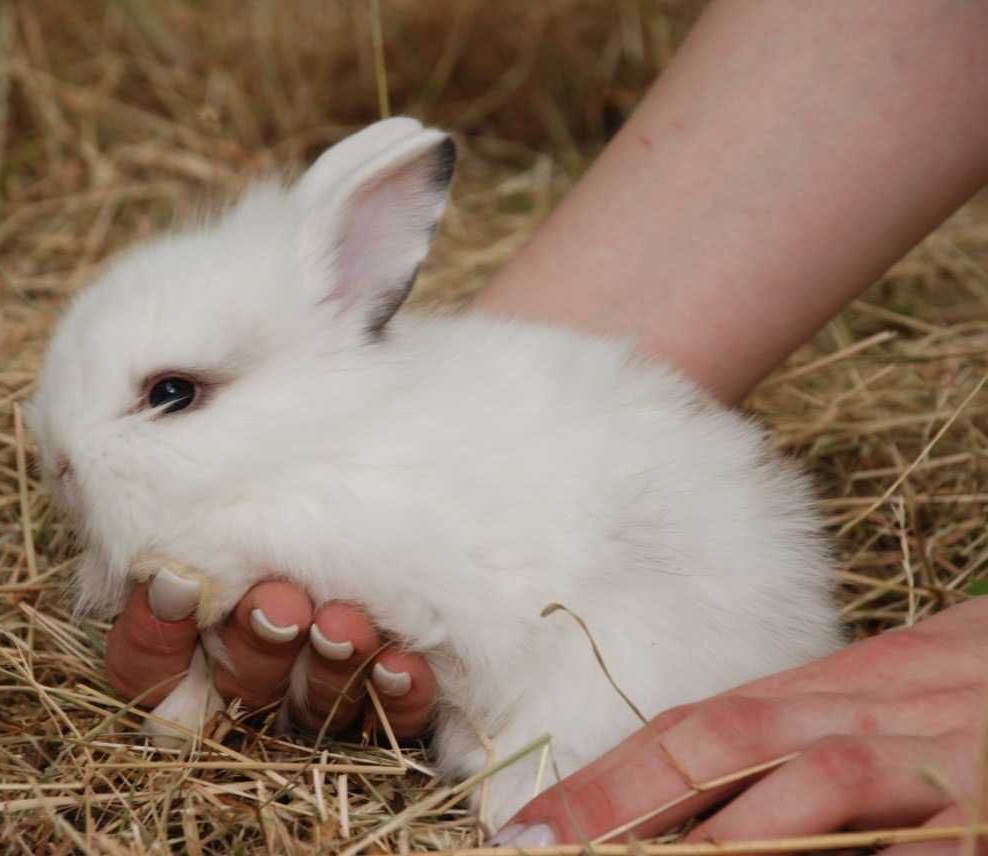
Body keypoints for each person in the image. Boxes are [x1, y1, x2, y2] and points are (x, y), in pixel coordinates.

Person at [104, 1, 988, 848]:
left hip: (655, 621)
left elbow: (388, 563)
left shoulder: (349, 470)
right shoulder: (401, 418)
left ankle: (572, 757)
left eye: (174, 396)